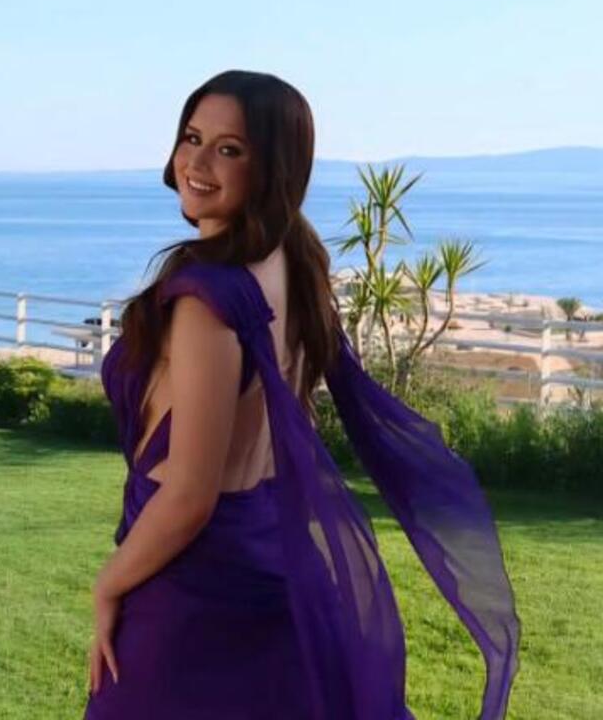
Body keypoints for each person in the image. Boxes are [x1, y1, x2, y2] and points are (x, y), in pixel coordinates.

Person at [83, 70, 520, 719]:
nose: (197, 164)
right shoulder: (295, 260)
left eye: (229, 149)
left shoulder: (207, 300)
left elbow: (191, 496)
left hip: (190, 582)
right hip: (269, 552)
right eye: (192, 138)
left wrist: (109, 585)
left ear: (273, 168)